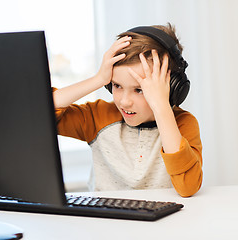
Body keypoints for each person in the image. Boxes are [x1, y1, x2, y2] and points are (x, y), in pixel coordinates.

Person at [52, 23, 202, 197]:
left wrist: (161, 107)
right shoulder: (98, 116)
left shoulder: (183, 124)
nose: (124, 101)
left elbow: (188, 187)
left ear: (172, 88)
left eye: (139, 90)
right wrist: (98, 79)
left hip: (161, 223)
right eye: (117, 85)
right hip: (105, 220)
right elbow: (40, 113)